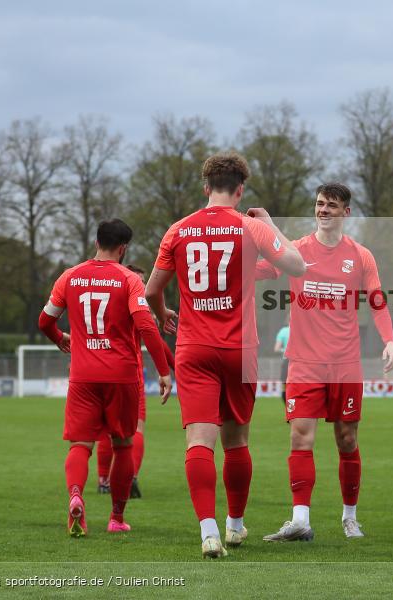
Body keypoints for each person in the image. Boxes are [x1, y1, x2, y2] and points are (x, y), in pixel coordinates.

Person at [145, 152, 305, 558]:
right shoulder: (249, 227)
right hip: (240, 349)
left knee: (199, 440)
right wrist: (270, 226)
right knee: (237, 441)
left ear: (205, 188)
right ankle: (235, 525)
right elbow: (296, 264)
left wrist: (164, 311)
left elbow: (150, 291)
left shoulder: (179, 230)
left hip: (194, 348)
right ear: (240, 189)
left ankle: (209, 532)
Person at [257, 182, 393, 542]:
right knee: (300, 437)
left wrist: (390, 341)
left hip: (345, 363)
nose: (323, 210)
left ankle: (350, 517)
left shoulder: (361, 256)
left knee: (347, 440)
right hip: (303, 363)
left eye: (332, 206)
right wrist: (223, 267)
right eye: (320, 204)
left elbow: (378, 301)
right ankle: (300, 519)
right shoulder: (298, 250)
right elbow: (264, 269)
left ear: (346, 212)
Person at [38, 219, 172, 537]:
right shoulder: (128, 279)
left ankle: (75, 496)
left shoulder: (69, 277)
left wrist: (60, 339)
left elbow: (44, 321)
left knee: (80, 445)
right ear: (123, 248)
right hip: (122, 376)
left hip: (83, 376)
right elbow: (146, 326)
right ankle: (116, 518)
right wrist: (164, 372)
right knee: (123, 445)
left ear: (98, 241)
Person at [94, 264, 175, 499]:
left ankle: (103, 481)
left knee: (107, 431)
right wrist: (171, 368)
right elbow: (155, 341)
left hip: (98, 371)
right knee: (134, 429)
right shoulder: (137, 309)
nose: (141, 286)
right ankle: (130, 477)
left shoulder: (104, 302)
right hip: (129, 375)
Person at [275, 321, 290, 403]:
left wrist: (286, 350)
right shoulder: (303, 330)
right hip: (301, 362)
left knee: (285, 388)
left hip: (287, 361)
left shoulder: (283, 331)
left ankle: (290, 410)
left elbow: (276, 349)